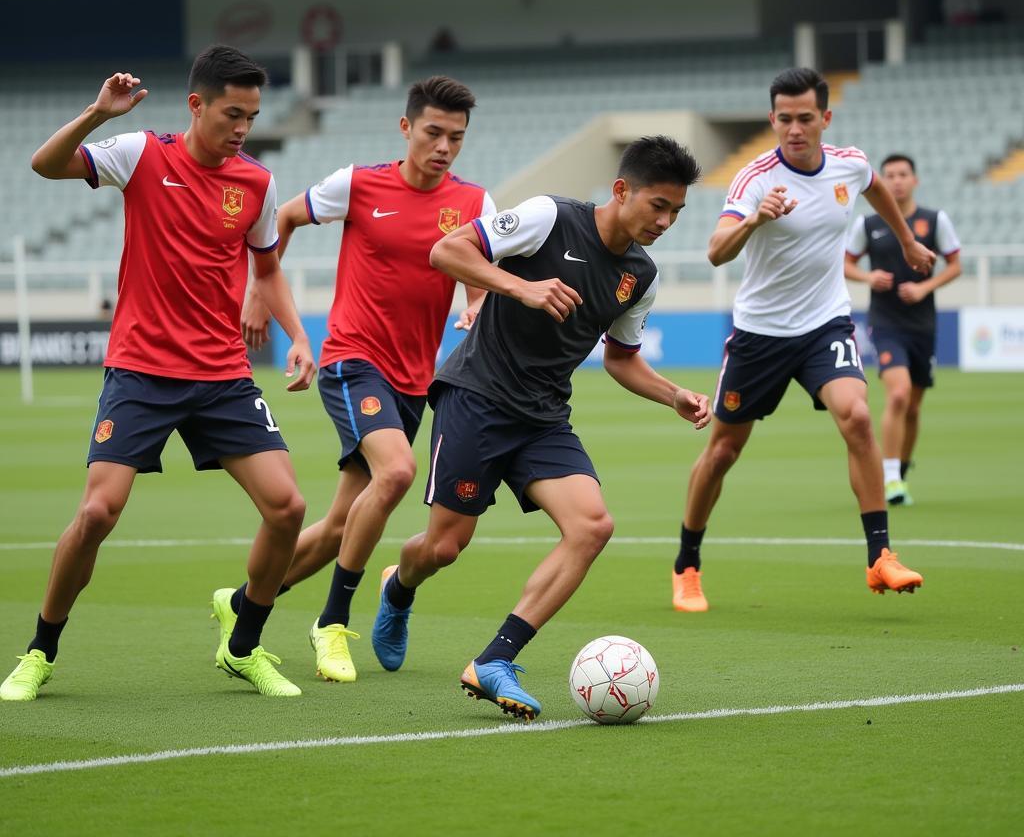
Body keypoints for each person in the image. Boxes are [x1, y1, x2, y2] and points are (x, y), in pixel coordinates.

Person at [0, 46, 316, 702]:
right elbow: (45, 164)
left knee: (287, 508)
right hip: (140, 372)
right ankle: (40, 651)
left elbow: (266, 269)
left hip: (222, 376)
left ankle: (244, 645)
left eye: (251, 117)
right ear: (197, 104)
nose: (241, 128)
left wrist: (300, 336)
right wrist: (96, 113)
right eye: (232, 113)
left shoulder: (255, 182)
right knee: (97, 512)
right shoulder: (141, 152)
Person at [371, 135, 710, 721]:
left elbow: (624, 360)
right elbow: (446, 251)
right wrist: (520, 285)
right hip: (476, 397)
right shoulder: (548, 217)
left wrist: (672, 394)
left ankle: (495, 660)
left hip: (544, 415)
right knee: (445, 546)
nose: (666, 221)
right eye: (658, 205)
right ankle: (399, 586)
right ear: (621, 190)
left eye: (676, 211)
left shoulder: (641, 275)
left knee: (592, 525)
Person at [214, 76, 494, 684]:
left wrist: (474, 304)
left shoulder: (473, 202)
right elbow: (283, 216)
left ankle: (241, 605)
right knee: (396, 472)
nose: (444, 146)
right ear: (405, 128)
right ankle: (333, 623)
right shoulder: (359, 183)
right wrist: (261, 290)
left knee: (343, 524)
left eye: (456, 137)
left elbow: (478, 266)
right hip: (351, 360)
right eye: (433, 132)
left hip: (414, 378)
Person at [671, 68, 936, 615]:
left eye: (805, 118)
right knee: (722, 452)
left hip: (824, 325)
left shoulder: (850, 164)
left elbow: (875, 187)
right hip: (760, 335)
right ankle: (687, 565)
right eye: (784, 119)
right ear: (772, 120)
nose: (795, 129)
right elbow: (717, 251)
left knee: (858, 417)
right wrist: (753, 222)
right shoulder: (755, 179)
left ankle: (880, 555)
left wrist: (908, 242)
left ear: (825, 119)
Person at [845, 154, 961, 506]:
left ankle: (901, 471)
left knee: (912, 406)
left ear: (915, 181)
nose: (896, 180)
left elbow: (955, 265)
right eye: (890, 175)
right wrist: (868, 276)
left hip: (922, 324)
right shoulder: (867, 224)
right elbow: (845, 262)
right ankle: (891, 478)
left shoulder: (933, 220)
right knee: (897, 394)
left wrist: (925, 288)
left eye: (903, 175)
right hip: (885, 322)